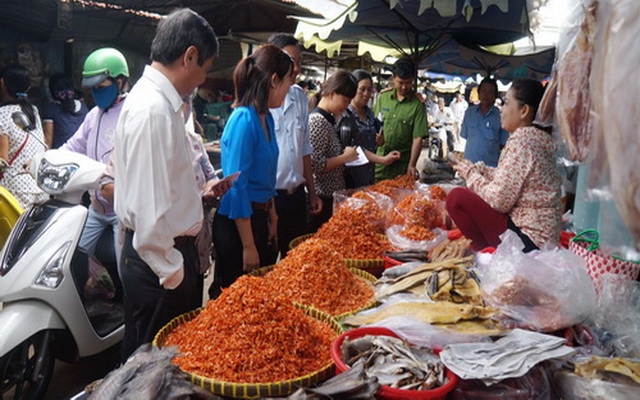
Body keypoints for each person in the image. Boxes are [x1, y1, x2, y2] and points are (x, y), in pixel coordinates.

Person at [113, 8, 221, 360]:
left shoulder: (160, 104)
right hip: (159, 267)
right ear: (189, 56)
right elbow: (150, 210)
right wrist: (173, 272)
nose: (202, 78)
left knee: (155, 365)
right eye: (205, 68)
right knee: (153, 370)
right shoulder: (153, 111)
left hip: (161, 262)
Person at [211, 44, 294, 297]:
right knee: (236, 299)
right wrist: (248, 245)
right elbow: (237, 187)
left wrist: (273, 215)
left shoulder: (266, 117)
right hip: (237, 227)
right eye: (289, 80)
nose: (291, 87)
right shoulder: (243, 120)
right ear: (274, 80)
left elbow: (266, 178)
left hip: (260, 218)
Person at [446, 79, 562, 253]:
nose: (502, 110)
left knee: (457, 198)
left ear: (524, 111)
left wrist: (471, 174)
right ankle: (488, 254)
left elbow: (499, 200)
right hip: (540, 238)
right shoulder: (536, 138)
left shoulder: (523, 140)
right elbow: (510, 177)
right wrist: (481, 170)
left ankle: (487, 252)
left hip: (529, 241)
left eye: (507, 103)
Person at [60, 47, 130, 301]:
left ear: (120, 82)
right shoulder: (93, 116)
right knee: (71, 256)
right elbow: (72, 147)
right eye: (93, 89)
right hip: (95, 209)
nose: (97, 93)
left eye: (102, 86)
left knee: (127, 271)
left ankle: (127, 317)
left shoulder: (131, 114)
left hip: (121, 211)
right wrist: (50, 160)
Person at [266, 33, 322, 262]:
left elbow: (305, 148)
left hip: (296, 197)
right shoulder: (260, 102)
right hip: (270, 199)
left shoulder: (299, 97)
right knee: (267, 264)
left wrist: (312, 191)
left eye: (299, 62)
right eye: (291, 60)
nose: (296, 68)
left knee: (295, 265)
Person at [307, 70, 359, 232]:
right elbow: (314, 164)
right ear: (332, 93)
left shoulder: (329, 119)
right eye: (344, 100)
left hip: (331, 196)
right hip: (322, 198)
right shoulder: (317, 121)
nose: (346, 106)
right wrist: (344, 157)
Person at [338, 69, 400, 188]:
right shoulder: (345, 115)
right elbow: (354, 148)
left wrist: (380, 140)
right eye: (362, 89)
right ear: (353, 89)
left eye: (369, 90)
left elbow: (376, 138)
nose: (366, 94)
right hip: (350, 179)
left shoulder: (370, 114)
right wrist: (383, 160)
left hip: (368, 175)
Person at [0, 64, 48, 209]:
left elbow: (3, 160)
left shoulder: (3, 113)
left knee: (16, 231)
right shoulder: (33, 111)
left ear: (3, 85)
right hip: (40, 186)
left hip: (16, 189)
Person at [372, 57, 428, 181]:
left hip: (402, 167)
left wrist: (412, 165)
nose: (404, 87)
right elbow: (375, 125)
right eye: (400, 82)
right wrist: (377, 138)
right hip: (380, 165)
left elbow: (417, 138)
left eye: (408, 83)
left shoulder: (418, 105)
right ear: (393, 78)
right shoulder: (383, 98)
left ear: (413, 80)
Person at [460, 77, 508, 167]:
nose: (486, 95)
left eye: (490, 92)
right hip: (469, 166)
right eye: (483, 91)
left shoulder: (501, 116)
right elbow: (465, 136)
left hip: (490, 168)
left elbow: (503, 144)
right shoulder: (469, 113)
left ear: (495, 95)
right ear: (478, 93)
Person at [41, 74, 89, 149]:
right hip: (84, 155)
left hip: (61, 156)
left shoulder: (51, 109)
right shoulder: (83, 107)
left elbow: (48, 142)